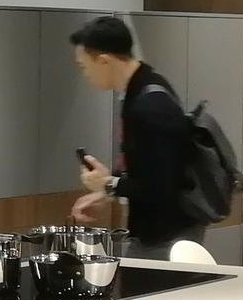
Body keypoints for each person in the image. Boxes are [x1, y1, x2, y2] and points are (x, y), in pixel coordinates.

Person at [67, 15, 205, 260]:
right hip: (161, 232)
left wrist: (109, 184)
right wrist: (108, 188)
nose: (85, 74)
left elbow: (162, 187)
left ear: (104, 60)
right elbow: (148, 168)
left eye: (84, 66)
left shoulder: (150, 105)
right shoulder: (145, 89)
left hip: (167, 237)